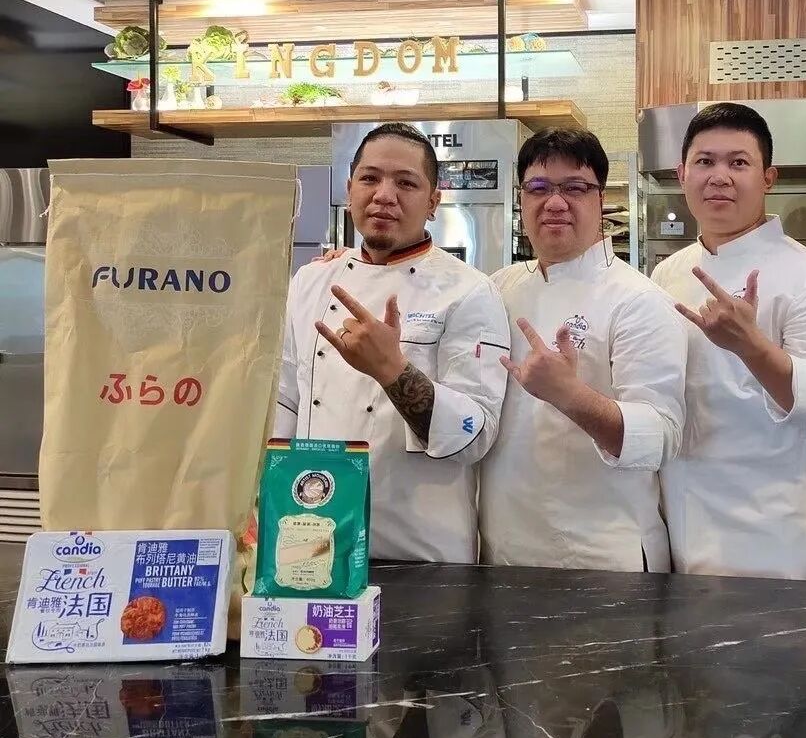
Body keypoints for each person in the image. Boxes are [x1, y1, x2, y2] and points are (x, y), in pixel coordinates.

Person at [274, 121, 510, 563]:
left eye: (406, 183)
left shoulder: (470, 292)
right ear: (349, 191)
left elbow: (475, 433)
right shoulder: (310, 280)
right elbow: (285, 401)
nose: (384, 195)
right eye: (370, 178)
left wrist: (391, 369)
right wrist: (267, 504)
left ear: (433, 202)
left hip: (419, 551)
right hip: (312, 537)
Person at [651, 103, 806, 580]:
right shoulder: (668, 273)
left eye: (738, 162)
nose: (719, 176)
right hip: (684, 525)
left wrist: (752, 347)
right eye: (705, 161)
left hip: (777, 538)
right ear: (682, 174)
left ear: (768, 178)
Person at [479, 128, 687, 572]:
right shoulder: (499, 287)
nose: (555, 203)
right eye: (538, 188)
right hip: (504, 548)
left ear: (601, 201)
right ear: (521, 199)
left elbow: (661, 437)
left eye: (575, 188)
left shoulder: (638, 299)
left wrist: (569, 395)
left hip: (605, 556)